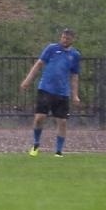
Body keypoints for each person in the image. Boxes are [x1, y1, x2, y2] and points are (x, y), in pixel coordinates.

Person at [20, 27, 82, 157]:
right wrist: (27, 80)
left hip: (62, 92)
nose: (65, 40)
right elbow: (38, 64)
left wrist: (75, 95)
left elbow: (75, 76)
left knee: (62, 122)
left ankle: (58, 151)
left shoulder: (75, 55)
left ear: (72, 40)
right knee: (39, 118)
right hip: (46, 89)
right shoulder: (51, 49)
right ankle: (36, 144)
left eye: (68, 38)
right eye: (63, 37)